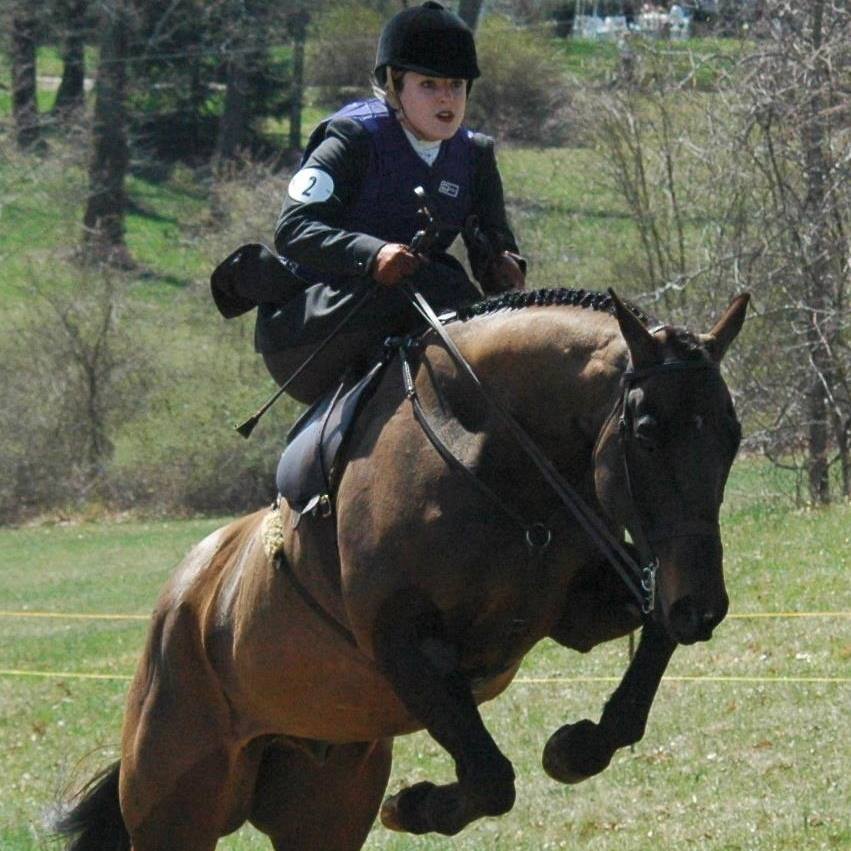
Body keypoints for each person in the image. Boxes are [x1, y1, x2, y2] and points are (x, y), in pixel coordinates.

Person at [242, 1, 525, 405]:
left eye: (456, 85)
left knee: (471, 308)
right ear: (394, 85)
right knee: (417, 285)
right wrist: (374, 255)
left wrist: (503, 267)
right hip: (314, 322)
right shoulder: (352, 137)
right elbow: (293, 230)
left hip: (417, 302)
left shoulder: (474, 155)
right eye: (429, 85)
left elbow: (492, 244)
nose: (446, 98)